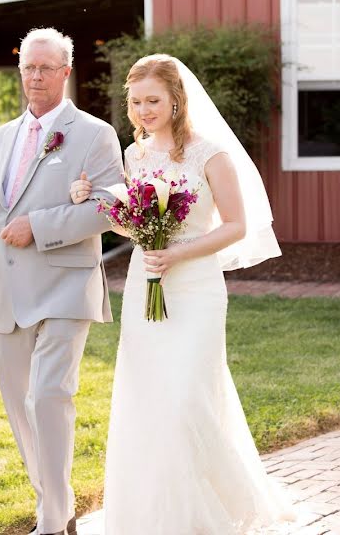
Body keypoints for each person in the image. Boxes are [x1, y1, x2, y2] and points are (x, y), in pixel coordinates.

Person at [69, 54, 297, 533]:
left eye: (153, 100)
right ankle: (152, 514)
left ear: (176, 100)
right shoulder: (134, 156)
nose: (144, 110)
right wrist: (91, 198)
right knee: (148, 399)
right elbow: (130, 224)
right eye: (135, 102)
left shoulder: (210, 153)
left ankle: (205, 511)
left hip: (196, 290)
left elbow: (236, 225)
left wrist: (180, 253)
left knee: (186, 398)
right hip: (146, 285)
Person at [0, 27, 124, 535]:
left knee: (49, 396)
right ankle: (54, 507)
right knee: (20, 407)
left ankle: (53, 518)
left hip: (66, 285)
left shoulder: (95, 133)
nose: (35, 77)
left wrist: (39, 227)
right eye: (27, 68)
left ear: (65, 72)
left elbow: (110, 206)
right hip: (7, 294)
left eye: (45, 68)